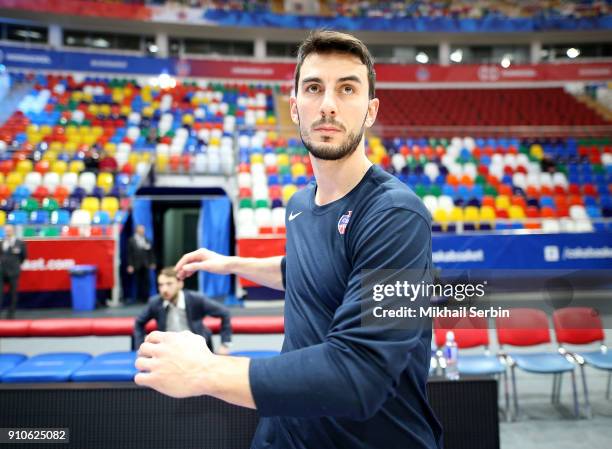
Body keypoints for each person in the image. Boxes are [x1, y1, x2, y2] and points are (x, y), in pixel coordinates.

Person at [135, 30, 442, 448]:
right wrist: (229, 263)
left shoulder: (395, 214)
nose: (328, 104)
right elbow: (307, 270)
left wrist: (204, 371)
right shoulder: (299, 202)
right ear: (295, 108)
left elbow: (359, 376)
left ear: (370, 112)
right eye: (314, 88)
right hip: (286, 433)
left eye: (347, 89)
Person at [133, 267, 233, 355]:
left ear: (180, 284)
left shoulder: (196, 299)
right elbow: (139, 322)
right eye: (161, 285)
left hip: (197, 350)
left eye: (169, 284)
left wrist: (225, 344)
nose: (164, 289)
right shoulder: (155, 303)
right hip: (168, 352)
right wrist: (140, 347)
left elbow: (224, 312)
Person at [0, 224, 27, 319]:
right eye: (6, 231)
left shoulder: (20, 243)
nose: (8, 232)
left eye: (9, 230)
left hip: (14, 271)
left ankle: (11, 313)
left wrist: (16, 265)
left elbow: (24, 257)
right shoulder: (2, 242)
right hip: (2, 271)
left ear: (13, 231)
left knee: (13, 293)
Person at [127, 224, 156, 304]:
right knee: (138, 282)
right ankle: (138, 298)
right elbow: (129, 254)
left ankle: (146, 297)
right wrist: (130, 265)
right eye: (141, 229)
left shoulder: (147, 240)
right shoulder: (131, 240)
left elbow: (151, 253)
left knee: (147, 281)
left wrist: (152, 262)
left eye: (143, 229)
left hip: (145, 264)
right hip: (136, 265)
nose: (143, 231)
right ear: (137, 230)